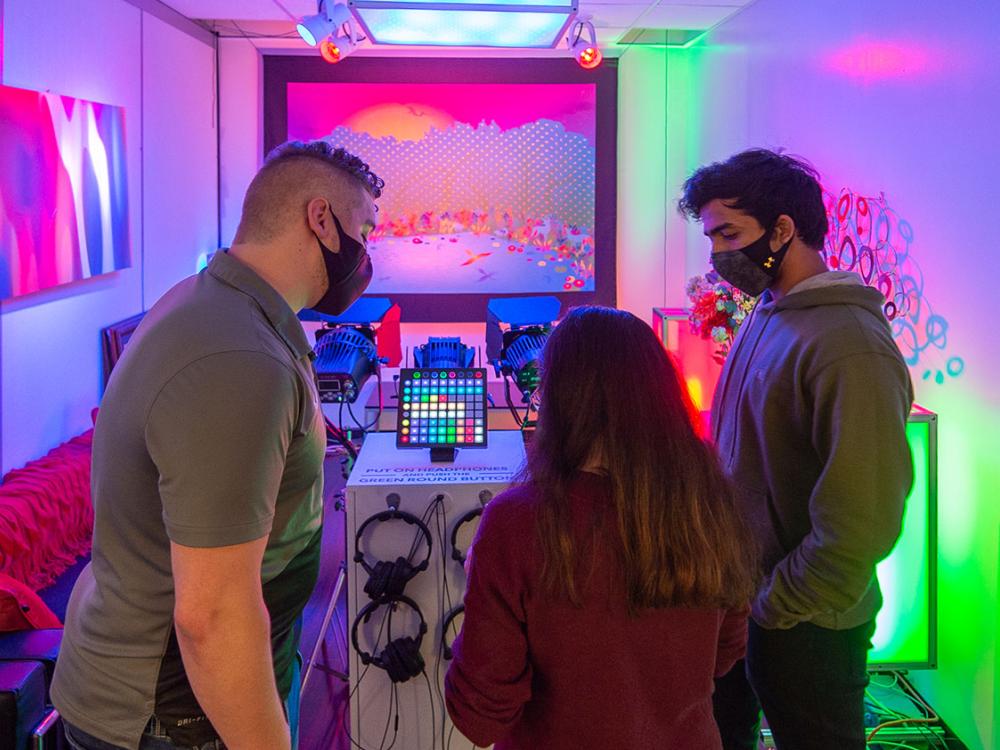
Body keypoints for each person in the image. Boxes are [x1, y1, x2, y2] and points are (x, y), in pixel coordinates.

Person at [51, 140, 382, 750]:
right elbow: (213, 618)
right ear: (320, 220)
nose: (368, 256)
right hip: (176, 718)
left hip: (189, 702)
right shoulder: (238, 357)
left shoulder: (217, 306)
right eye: (365, 230)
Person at [678, 148, 914, 750]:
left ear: (782, 229)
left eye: (729, 234)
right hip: (749, 600)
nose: (718, 255)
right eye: (711, 238)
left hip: (808, 622)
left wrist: (773, 603)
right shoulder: (771, 310)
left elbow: (862, 524)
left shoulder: (849, 345)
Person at [445, 306, 757, 749]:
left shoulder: (516, 524)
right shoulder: (711, 505)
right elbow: (726, 653)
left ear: (559, 398)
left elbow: (480, 717)